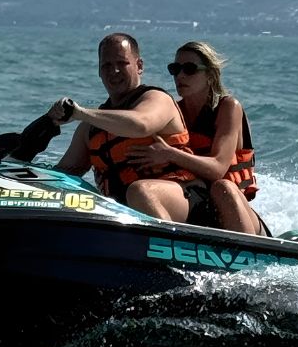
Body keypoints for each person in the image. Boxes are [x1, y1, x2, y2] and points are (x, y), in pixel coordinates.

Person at [47, 33, 196, 222]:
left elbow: (140, 125)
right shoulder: (90, 127)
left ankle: (166, 239)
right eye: (106, 66)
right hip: (125, 215)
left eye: (122, 63)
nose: (114, 71)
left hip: (184, 198)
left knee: (140, 191)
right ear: (99, 71)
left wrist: (79, 113)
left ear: (139, 66)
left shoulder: (158, 99)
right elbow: (65, 174)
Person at [126, 40, 269, 235]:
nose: (180, 76)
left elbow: (217, 169)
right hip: (197, 205)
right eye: (175, 69)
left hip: (235, 211)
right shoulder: (174, 112)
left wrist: (170, 153)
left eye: (190, 69)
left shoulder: (228, 108)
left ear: (210, 75)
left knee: (222, 187)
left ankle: (246, 252)